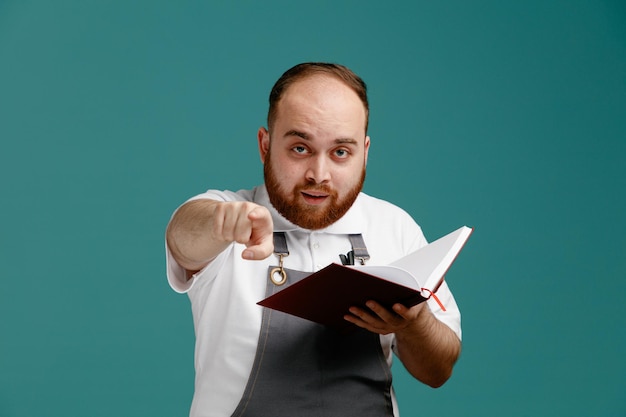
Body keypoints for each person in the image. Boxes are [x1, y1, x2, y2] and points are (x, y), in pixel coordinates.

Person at [165, 62, 462, 417]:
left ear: (364, 152)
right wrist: (220, 223)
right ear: (265, 145)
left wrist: (415, 323)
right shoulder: (226, 213)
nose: (318, 175)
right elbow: (183, 237)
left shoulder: (395, 227)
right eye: (300, 149)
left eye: (340, 152)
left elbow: (438, 371)